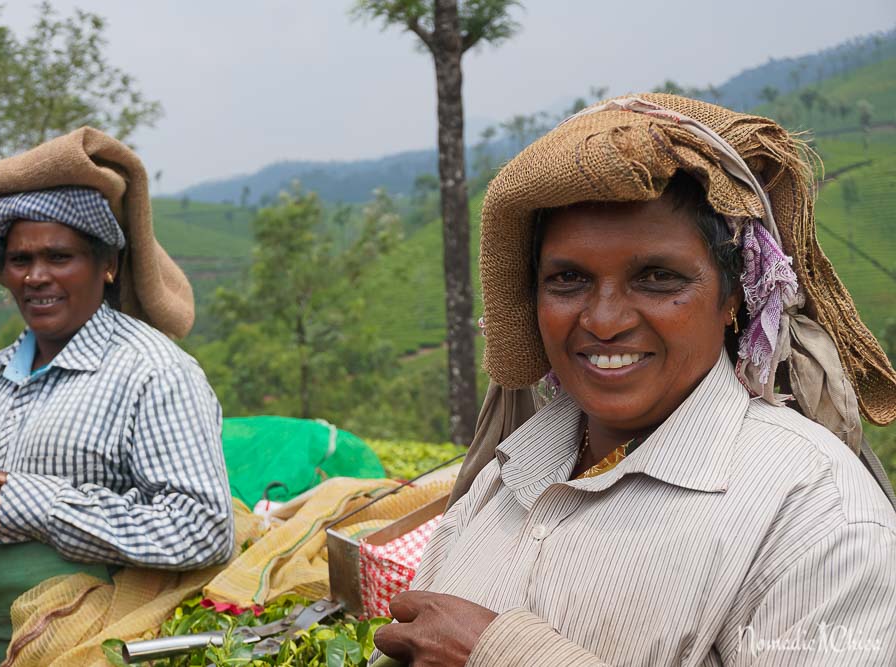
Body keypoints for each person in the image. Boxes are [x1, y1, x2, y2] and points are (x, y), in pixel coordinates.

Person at [372, 94, 896, 666]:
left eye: (657, 277)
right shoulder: (509, 472)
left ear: (734, 297)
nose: (603, 320)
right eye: (568, 279)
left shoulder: (815, 513)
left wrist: (501, 654)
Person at [0, 128, 234, 667]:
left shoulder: (152, 373)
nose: (36, 276)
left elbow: (203, 529)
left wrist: (37, 504)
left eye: (59, 256)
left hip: (101, 653)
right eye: (20, 260)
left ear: (107, 266)